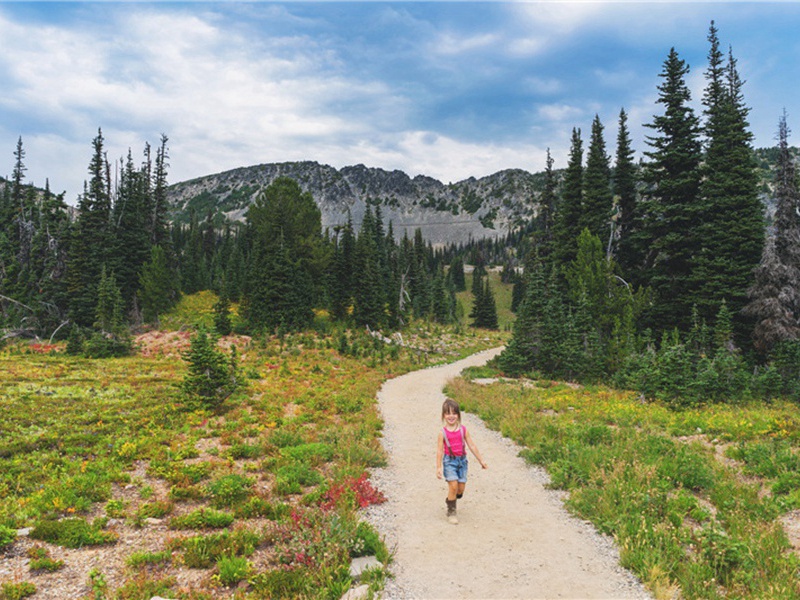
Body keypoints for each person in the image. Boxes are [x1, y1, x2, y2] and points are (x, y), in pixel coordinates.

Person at [435, 398, 487, 524]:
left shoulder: (463, 430)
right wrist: (438, 467)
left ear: (458, 415)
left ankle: (451, 499)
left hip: (462, 462)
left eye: (454, 413)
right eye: (448, 413)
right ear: (443, 415)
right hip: (449, 462)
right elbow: (439, 451)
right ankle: (451, 511)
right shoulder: (442, 433)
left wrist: (481, 460)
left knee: (460, 489)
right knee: (453, 486)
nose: (451, 416)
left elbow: (472, 445)